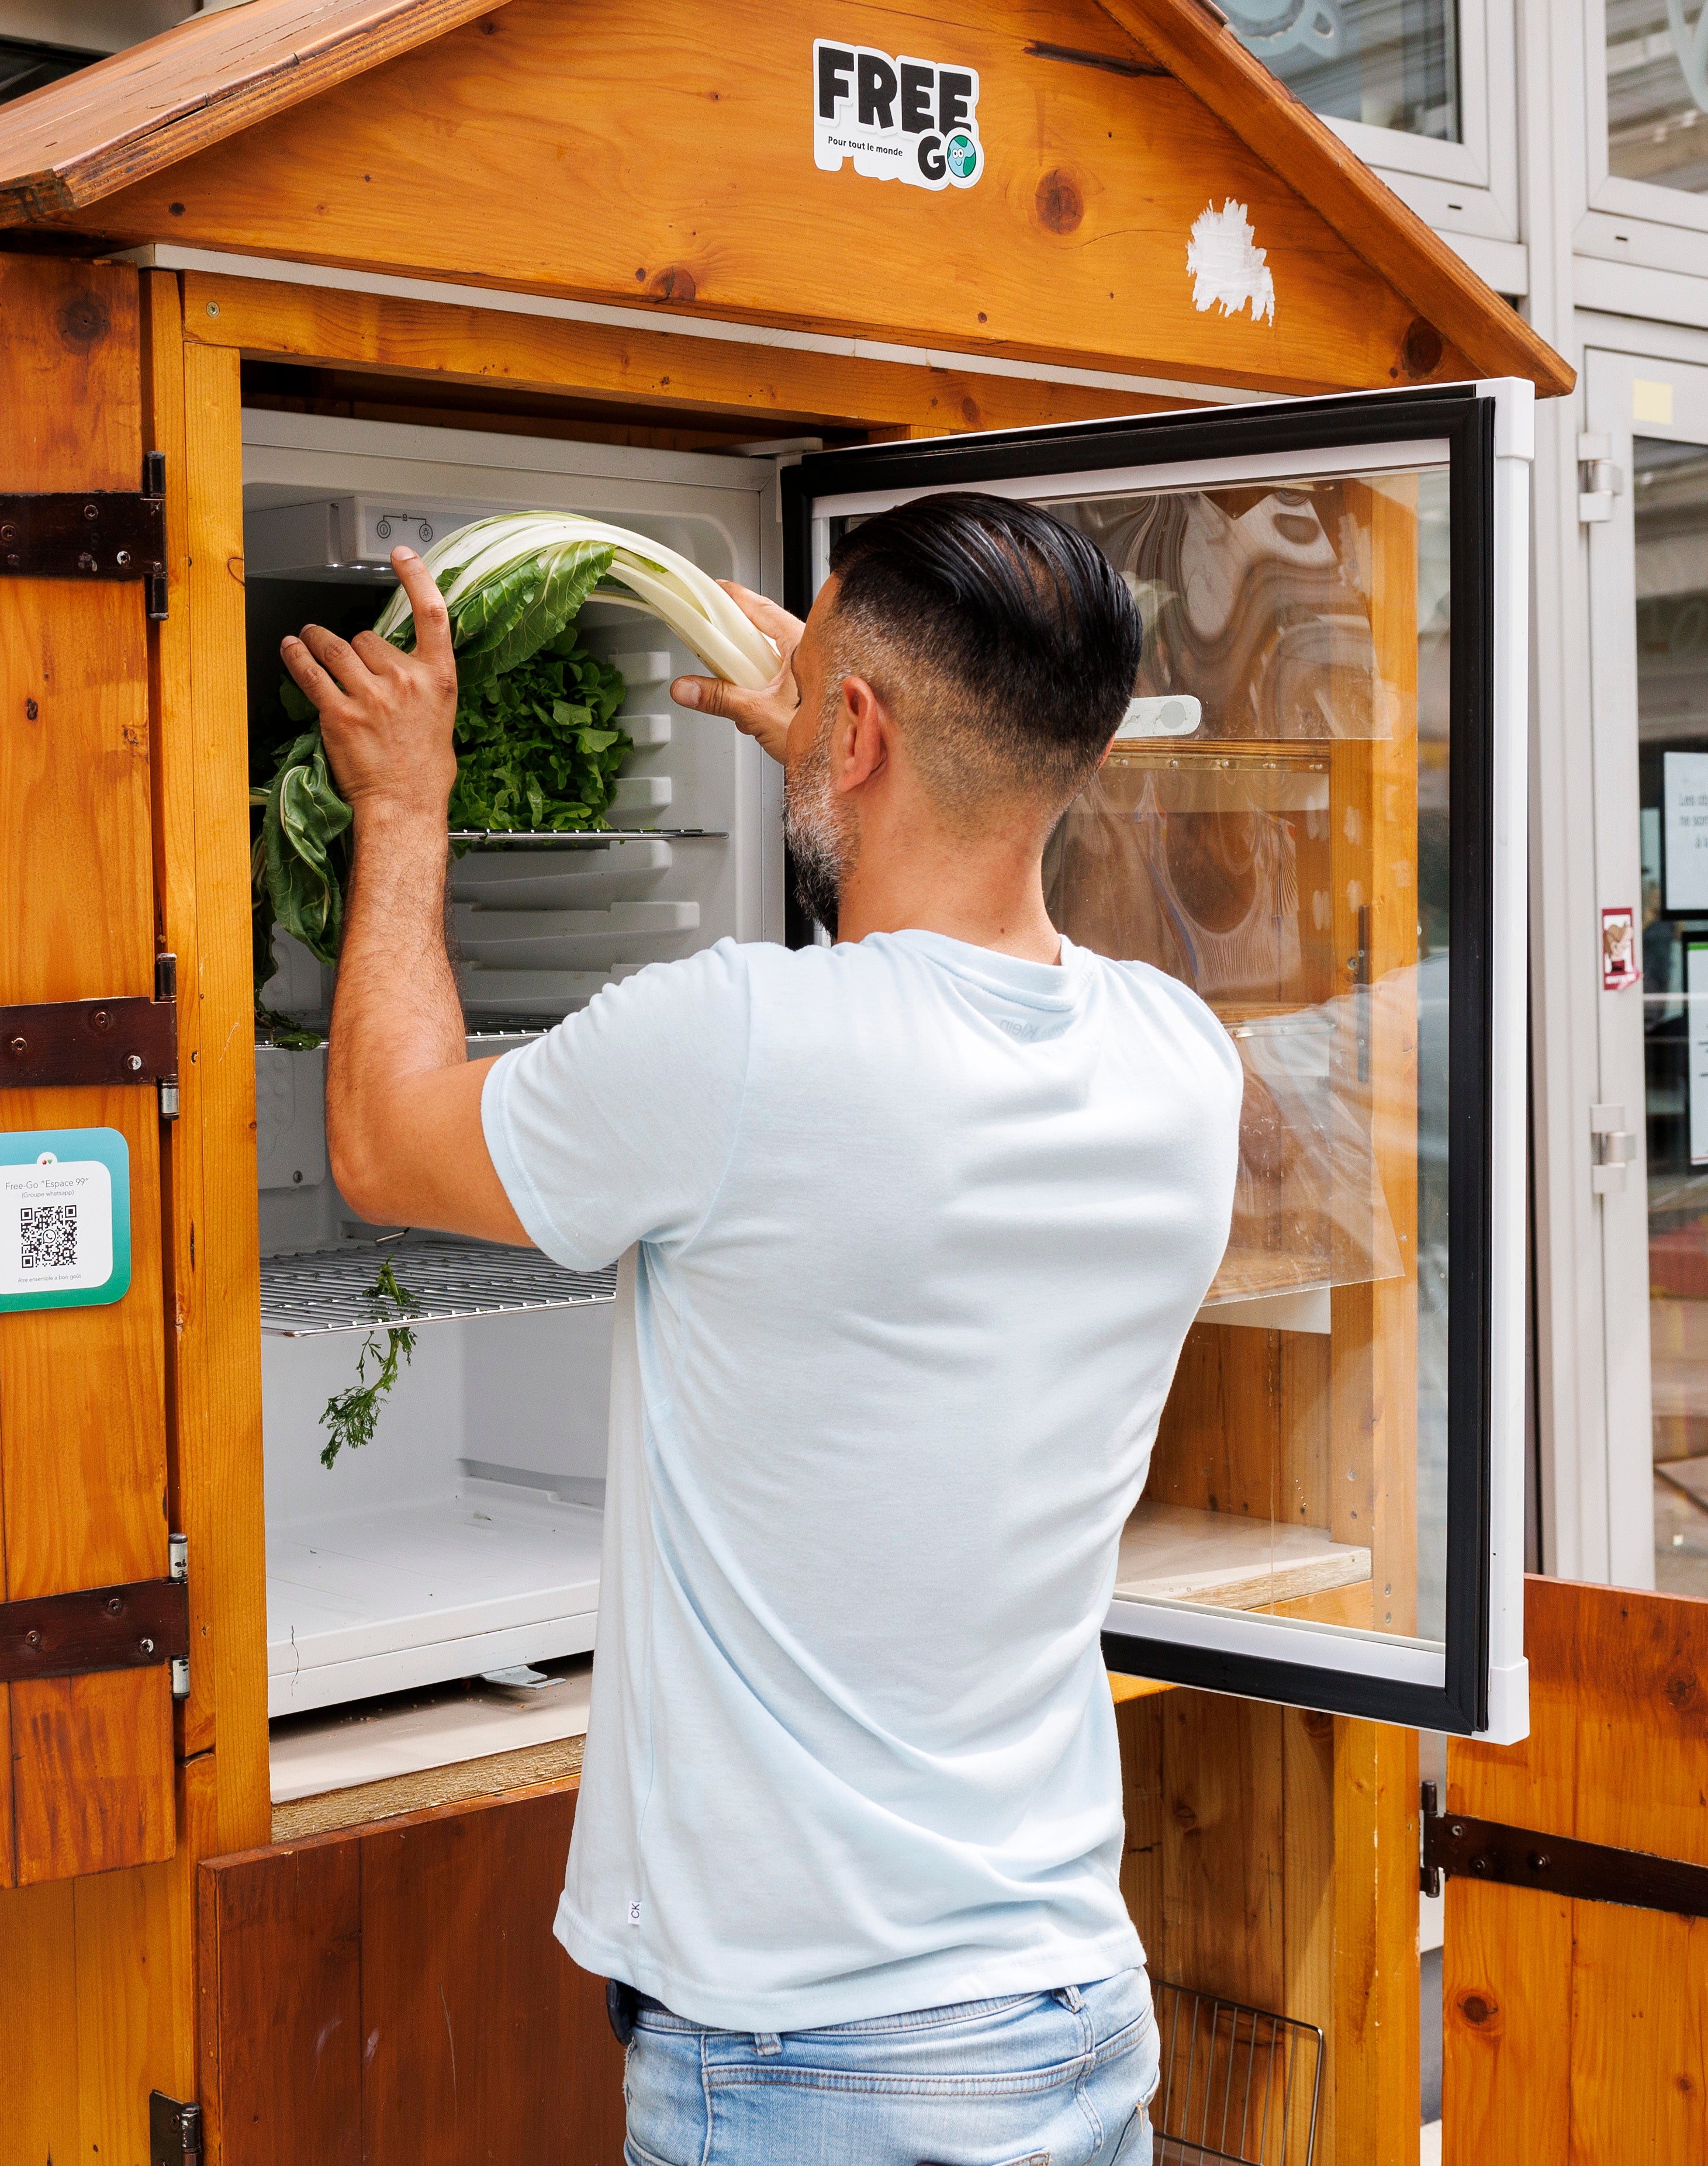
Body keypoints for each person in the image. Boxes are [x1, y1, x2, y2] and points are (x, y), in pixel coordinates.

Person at [275, 494, 1242, 2166]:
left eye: (827, 681)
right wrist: (858, 757)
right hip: (1064, 2005)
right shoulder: (1179, 1060)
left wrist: (405, 805)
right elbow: (909, 1011)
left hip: (812, 2061)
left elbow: (381, 1130)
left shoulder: (737, 1048)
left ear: (852, 726)